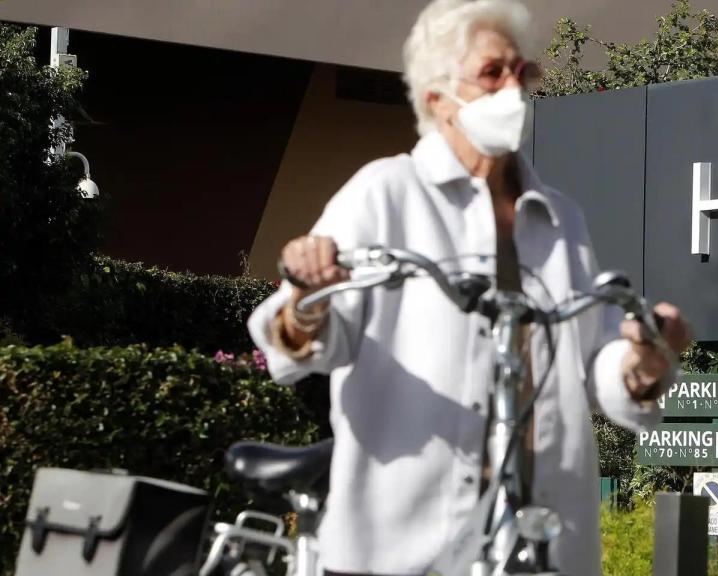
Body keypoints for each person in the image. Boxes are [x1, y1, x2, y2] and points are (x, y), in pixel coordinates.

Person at [248, 0, 691, 573]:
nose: (515, 88)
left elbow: (596, 365)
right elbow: (297, 336)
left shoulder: (561, 219)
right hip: (402, 548)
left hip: (542, 541)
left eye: (522, 72)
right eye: (492, 73)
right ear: (437, 98)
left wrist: (643, 362)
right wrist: (309, 295)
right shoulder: (386, 193)